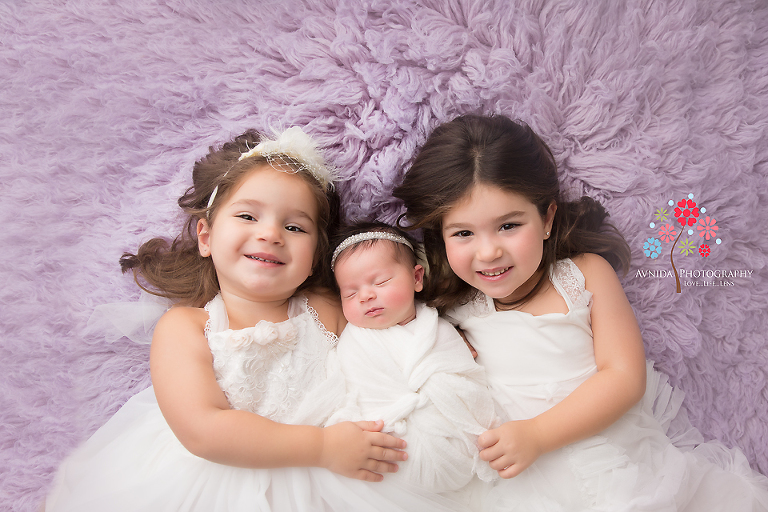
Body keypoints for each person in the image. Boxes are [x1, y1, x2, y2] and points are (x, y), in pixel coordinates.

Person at [45, 127, 464, 512]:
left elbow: (393, 337)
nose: (270, 233)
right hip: (223, 482)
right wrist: (320, 447)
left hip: (343, 476)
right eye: (248, 216)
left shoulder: (328, 307)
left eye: (295, 227)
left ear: (316, 254)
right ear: (206, 237)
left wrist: (445, 346)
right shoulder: (187, 327)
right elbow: (203, 429)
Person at [394, 113, 768, 511]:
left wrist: (538, 434)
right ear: (441, 236)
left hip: (608, 461)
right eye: (464, 233)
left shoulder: (582, 275)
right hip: (516, 484)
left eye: (508, 226)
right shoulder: (448, 306)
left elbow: (624, 377)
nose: (489, 252)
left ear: (546, 219)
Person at [325, 222, 498, 500]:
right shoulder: (354, 341)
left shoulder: (439, 327)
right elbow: (342, 392)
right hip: (389, 457)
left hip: (459, 449)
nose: (366, 295)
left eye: (380, 282)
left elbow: (469, 376)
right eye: (350, 293)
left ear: (417, 278)